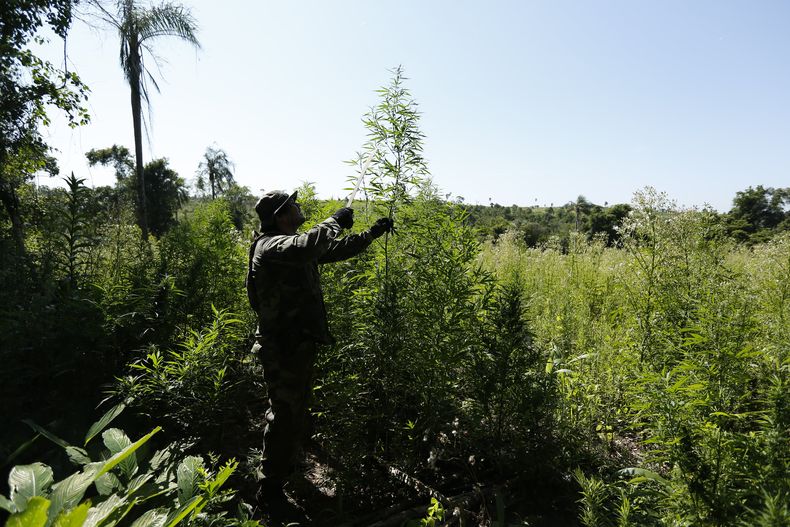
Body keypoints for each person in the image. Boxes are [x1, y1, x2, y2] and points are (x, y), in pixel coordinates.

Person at [246, 190, 393, 503]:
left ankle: (288, 469)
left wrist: (372, 233)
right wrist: (335, 220)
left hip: (296, 345)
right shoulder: (271, 246)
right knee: (284, 416)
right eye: (294, 205)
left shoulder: (289, 246)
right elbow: (308, 245)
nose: (299, 207)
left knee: (294, 412)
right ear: (281, 215)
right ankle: (269, 491)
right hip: (282, 348)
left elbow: (332, 249)